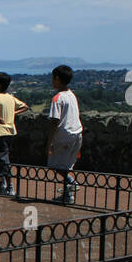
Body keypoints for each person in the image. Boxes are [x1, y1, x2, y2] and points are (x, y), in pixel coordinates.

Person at [0, 72, 29, 197]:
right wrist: (14, 113)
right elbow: (25, 106)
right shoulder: (10, 97)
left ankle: (9, 185)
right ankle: (3, 183)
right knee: (2, 157)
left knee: (3, 159)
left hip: (0, 132)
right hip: (11, 131)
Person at [47, 65, 83, 205]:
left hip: (63, 136)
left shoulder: (58, 98)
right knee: (67, 166)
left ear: (57, 78)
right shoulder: (71, 95)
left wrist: (49, 142)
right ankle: (69, 196)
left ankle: (71, 183)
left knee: (55, 165)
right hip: (77, 133)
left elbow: (54, 121)